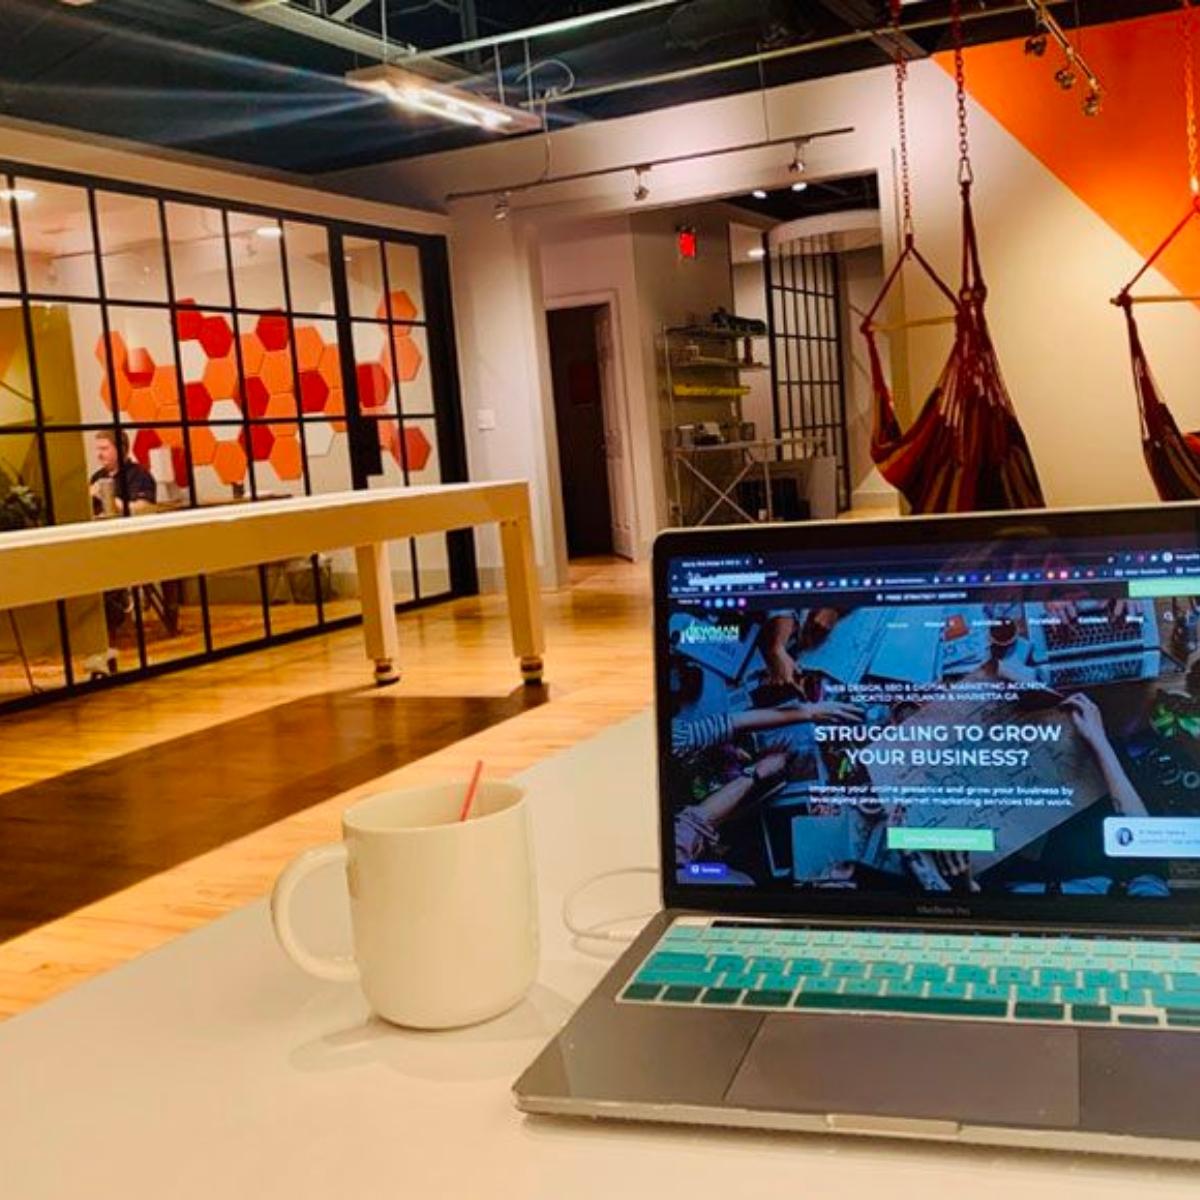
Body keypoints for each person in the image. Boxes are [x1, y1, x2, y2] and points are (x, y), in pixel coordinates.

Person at [90, 429, 156, 517]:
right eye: (98, 449)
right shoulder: (96, 476)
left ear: (121, 449)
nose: (99, 454)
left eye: (104, 449)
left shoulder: (140, 474)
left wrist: (105, 496)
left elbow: (144, 509)